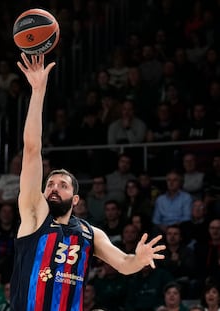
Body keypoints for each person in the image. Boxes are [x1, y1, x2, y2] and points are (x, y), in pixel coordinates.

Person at [10, 53, 165, 311]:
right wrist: (38, 91)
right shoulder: (34, 213)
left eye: (62, 185)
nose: (54, 188)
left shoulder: (90, 233)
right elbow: (31, 148)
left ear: (77, 199)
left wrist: (139, 259)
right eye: (50, 184)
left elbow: (125, 264)